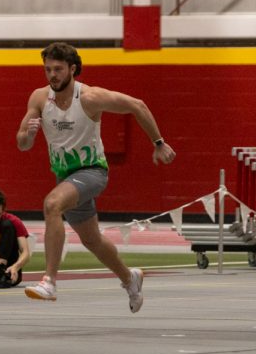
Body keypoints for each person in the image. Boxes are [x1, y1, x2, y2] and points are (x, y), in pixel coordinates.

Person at [16, 41, 176, 312]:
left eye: (57, 69)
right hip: (65, 176)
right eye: (47, 69)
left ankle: (49, 281)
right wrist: (29, 134)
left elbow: (138, 105)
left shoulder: (90, 97)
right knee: (91, 240)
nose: (51, 75)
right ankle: (130, 279)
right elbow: (22, 143)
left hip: (92, 172)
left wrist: (159, 142)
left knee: (52, 204)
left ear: (72, 69)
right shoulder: (39, 98)